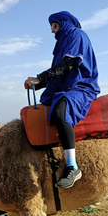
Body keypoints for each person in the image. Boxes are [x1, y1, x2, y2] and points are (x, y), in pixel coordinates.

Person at [24, 11, 100, 188]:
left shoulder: (77, 35)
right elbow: (58, 74)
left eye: (55, 26)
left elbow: (69, 65)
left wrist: (40, 78)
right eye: (51, 26)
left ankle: (72, 166)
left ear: (64, 23)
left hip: (81, 86)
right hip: (63, 88)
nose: (52, 31)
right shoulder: (62, 42)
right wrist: (38, 84)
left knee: (59, 113)